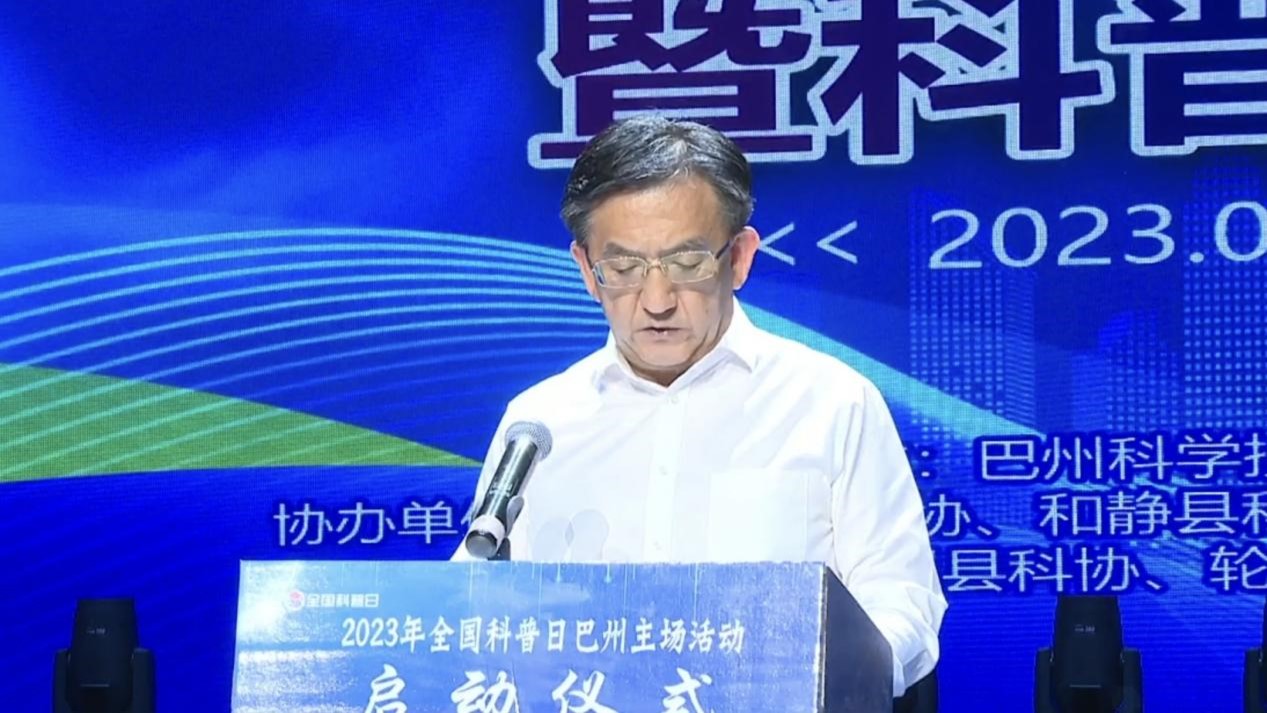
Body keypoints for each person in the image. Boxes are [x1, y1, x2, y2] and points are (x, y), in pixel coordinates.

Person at [453, 115, 946, 696]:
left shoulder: (831, 403)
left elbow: (901, 601)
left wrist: (815, 686)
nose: (656, 300)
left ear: (739, 258)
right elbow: (470, 607)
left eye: (687, 264)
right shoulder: (539, 424)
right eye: (624, 268)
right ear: (587, 270)